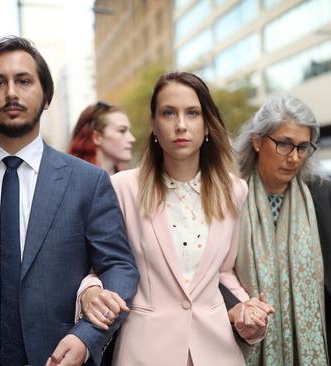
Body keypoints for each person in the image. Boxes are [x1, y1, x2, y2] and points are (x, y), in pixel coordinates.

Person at [0, 36, 139, 366]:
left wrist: (87, 335)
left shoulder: (87, 181)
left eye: (23, 81)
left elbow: (119, 267)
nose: (11, 93)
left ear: (46, 95)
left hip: (59, 357)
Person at [78, 71, 274, 365]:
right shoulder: (122, 188)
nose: (181, 125)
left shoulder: (235, 190)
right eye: (169, 113)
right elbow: (101, 267)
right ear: (154, 125)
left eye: (192, 113)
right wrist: (88, 292)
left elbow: (223, 271)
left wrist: (247, 311)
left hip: (216, 351)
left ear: (207, 124)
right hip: (144, 351)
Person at [222, 95, 331, 365]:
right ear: (258, 141)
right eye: (284, 144)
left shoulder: (325, 194)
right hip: (238, 342)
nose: (294, 158)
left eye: (303, 147)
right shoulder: (229, 195)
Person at [68, 101, 135, 175]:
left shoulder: (126, 180)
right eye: (122, 131)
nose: (132, 139)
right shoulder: (74, 179)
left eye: (129, 131)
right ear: (97, 137)